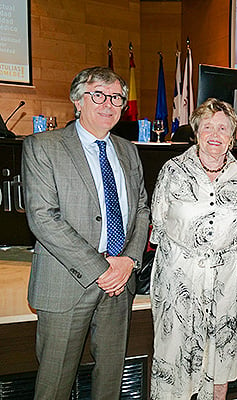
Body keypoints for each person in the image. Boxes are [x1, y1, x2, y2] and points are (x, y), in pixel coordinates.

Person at [22, 66, 150, 399]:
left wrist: (129, 260)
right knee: (55, 386)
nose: (108, 104)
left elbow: (141, 210)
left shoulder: (129, 150)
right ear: (78, 101)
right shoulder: (43, 147)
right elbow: (43, 218)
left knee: (110, 383)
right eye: (98, 95)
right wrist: (102, 268)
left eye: (116, 98)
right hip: (67, 284)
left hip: (119, 284)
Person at [149, 98, 237, 400]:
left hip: (225, 280)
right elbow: (158, 220)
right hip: (179, 276)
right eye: (207, 126)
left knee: (219, 349)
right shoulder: (173, 170)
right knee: (174, 350)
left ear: (234, 135)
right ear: (195, 131)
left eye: (223, 128)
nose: (215, 134)